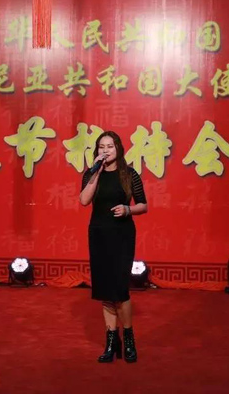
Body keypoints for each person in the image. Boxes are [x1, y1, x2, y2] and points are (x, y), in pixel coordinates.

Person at [79, 131, 148, 363]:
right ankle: (111, 341)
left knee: (119, 290)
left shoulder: (129, 174)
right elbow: (84, 200)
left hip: (122, 235)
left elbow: (143, 205)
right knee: (105, 290)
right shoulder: (92, 173)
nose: (106, 150)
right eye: (102, 146)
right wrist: (96, 172)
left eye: (110, 146)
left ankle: (128, 339)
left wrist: (128, 210)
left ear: (118, 148)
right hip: (98, 234)